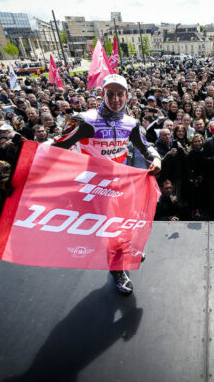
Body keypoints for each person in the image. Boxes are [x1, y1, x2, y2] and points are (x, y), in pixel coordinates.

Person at [52, 74, 161, 295]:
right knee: (111, 230)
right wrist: (29, 160)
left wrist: (156, 158)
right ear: (103, 94)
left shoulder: (131, 122)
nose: (115, 99)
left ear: (127, 96)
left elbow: (144, 145)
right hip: (95, 185)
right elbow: (57, 147)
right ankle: (118, 269)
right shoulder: (84, 119)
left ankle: (127, 248)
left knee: (128, 221)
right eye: (110, 94)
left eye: (120, 94)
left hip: (122, 181)